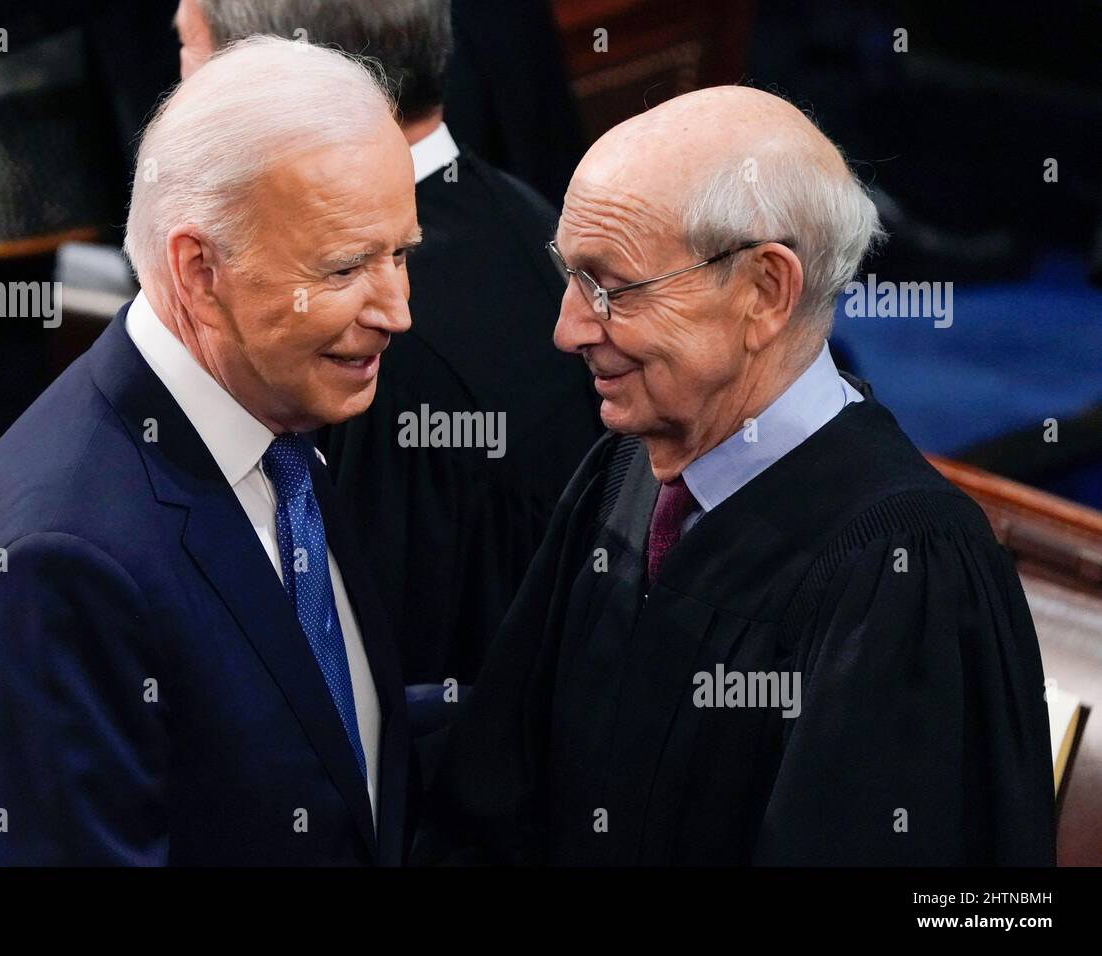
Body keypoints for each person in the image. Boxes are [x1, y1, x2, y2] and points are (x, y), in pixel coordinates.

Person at [415, 86, 1058, 866]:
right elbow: (492, 797)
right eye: (568, 276)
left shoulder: (903, 573)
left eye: (608, 287)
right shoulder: (625, 474)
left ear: (764, 290)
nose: (567, 328)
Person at [0, 37, 419, 865]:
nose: (396, 310)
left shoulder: (282, 429)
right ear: (200, 270)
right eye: (345, 266)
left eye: (400, 254)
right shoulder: (56, 564)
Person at [177, 0, 602, 695]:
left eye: (193, 60)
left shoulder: (362, 339)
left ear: (272, 93)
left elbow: (364, 674)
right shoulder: (527, 213)